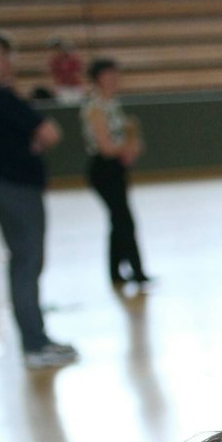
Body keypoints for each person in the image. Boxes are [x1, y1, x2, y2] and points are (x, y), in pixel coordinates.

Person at [0, 31, 76, 369]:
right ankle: (35, 344)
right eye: (1, 57)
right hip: (12, 187)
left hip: (3, 183)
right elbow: (51, 133)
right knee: (27, 262)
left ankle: (37, 339)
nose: (8, 63)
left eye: (8, 56)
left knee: (26, 261)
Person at [82, 58, 151, 290]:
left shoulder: (111, 104)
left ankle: (116, 273)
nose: (114, 79)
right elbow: (106, 147)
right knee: (124, 220)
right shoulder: (96, 108)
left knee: (118, 220)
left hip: (115, 168)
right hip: (104, 170)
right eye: (108, 75)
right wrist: (128, 146)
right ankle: (136, 271)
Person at [47, 37, 86, 104]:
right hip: (63, 87)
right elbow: (53, 73)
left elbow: (79, 70)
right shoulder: (55, 60)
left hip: (75, 86)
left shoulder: (73, 59)